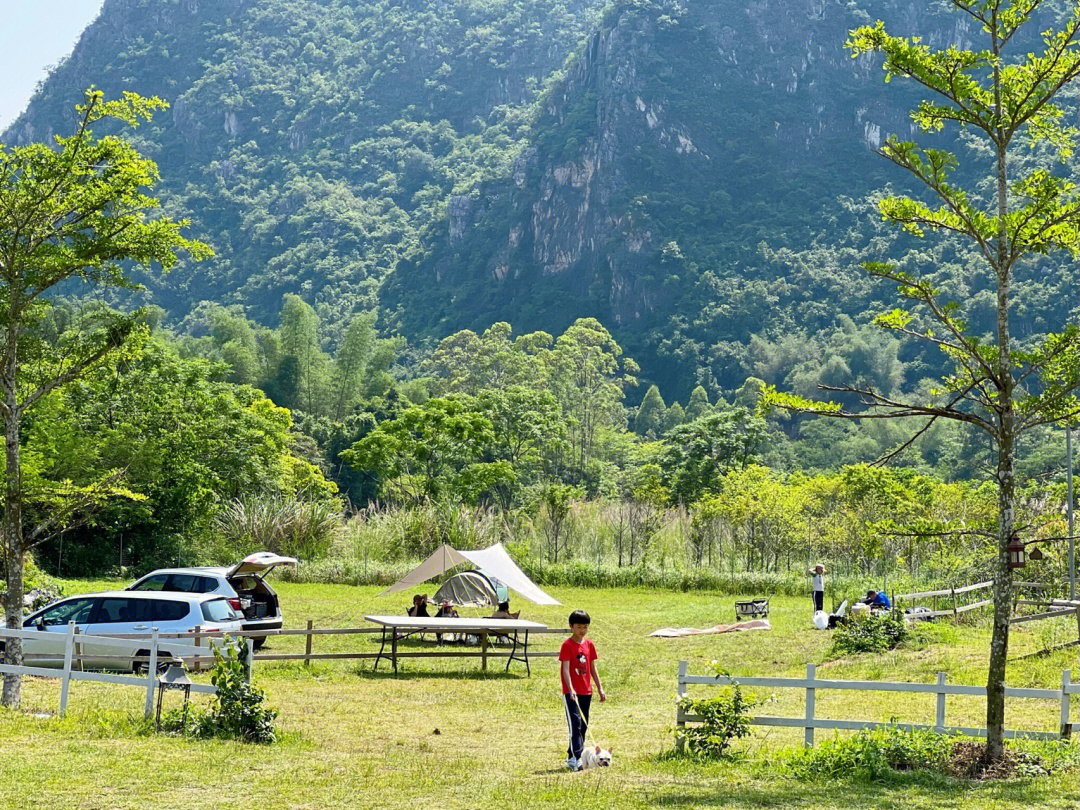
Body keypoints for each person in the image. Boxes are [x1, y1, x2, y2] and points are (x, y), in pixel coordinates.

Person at [560, 609, 605, 771]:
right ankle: (575, 758)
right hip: (571, 693)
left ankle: (574, 755)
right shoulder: (567, 645)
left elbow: (592, 668)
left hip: (586, 691)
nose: (582, 631)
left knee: (583, 725)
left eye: (585, 627)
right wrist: (570, 688)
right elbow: (565, 669)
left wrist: (600, 688)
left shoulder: (589, 644)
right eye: (579, 627)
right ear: (571, 626)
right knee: (575, 724)